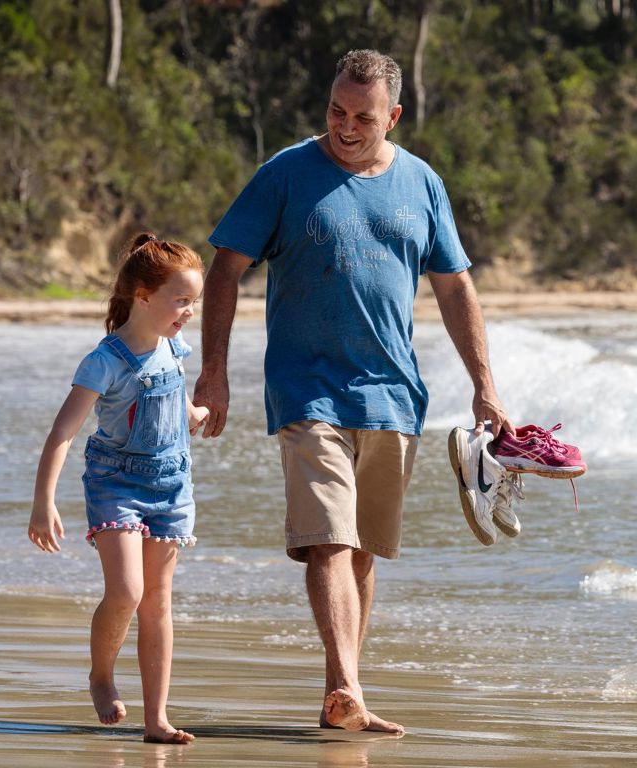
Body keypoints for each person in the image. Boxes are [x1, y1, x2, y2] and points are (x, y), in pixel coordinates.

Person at [193, 49, 512, 735]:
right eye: (336, 111)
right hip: (307, 392)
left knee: (364, 550)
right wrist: (213, 371)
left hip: (395, 397)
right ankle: (346, 684)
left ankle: (344, 695)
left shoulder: (423, 183)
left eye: (361, 117)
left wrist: (485, 388)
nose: (344, 126)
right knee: (328, 540)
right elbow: (226, 268)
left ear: (392, 116)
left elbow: (455, 287)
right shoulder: (284, 174)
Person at [28, 232, 209, 744]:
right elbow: (62, 432)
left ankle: (157, 720)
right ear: (143, 296)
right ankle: (101, 675)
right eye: (181, 300)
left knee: (157, 602)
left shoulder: (175, 346)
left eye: (193, 301)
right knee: (127, 592)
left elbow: (171, 400)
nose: (188, 311)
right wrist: (44, 502)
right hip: (116, 484)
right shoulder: (104, 360)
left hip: (173, 485)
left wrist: (194, 414)